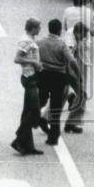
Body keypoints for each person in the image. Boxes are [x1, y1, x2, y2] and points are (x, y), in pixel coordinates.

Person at [37, 18, 79, 146]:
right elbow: (71, 61)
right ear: (59, 30)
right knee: (55, 107)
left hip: (44, 75)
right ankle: (53, 137)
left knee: (41, 99)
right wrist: (76, 73)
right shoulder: (61, 44)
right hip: (58, 77)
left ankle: (34, 119)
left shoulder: (41, 41)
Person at [12, 17, 45, 155]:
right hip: (29, 77)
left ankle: (27, 145)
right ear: (33, 27)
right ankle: (19, 138)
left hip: (32, 77)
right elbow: (17, 58)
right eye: (38, 27)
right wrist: (34, 62)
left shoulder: (30, 39)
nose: (40, 29)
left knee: (27, 111)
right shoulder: (25, 40)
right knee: (35, 111)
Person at [64, 21, 88, 134]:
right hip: (66, 70)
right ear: (78, 33)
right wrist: (76, 76)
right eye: (82, 36)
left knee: (61, 96)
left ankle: (44, 118)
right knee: (82, 95)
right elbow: (69, 60)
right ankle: (71, 123)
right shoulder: (71, 43)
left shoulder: (72, 32)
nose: (83, 38)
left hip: (65, 70)